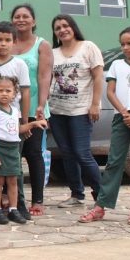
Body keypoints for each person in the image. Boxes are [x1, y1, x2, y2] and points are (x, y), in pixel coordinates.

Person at [79, 27, 130, 226]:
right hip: (121, 118)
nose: (125, 47)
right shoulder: (116, 65)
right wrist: (124, 113)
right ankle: (101, 206)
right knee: (115, 161)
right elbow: (111, 92)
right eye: (122, 44)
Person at [48, 14, 104, 208]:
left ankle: (102, 194)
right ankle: (76, 194)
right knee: (67, 153)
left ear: (73, 27)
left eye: (65, 26)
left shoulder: (88, 47)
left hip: (81, 110)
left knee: (82, 153)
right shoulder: (53, 53)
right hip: (57, 111)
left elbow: (98, 77)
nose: (62, 30)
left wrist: (95, 104)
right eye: (57, 28)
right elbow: (48, 80)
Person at [0, 22, 32, 218]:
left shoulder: (19, 64)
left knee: (14, 168)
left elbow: (25, 93)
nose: (3, 44)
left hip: (13, 122)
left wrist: (24, 121)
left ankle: (18, 204)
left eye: (8, 40)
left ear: (14, 42)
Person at [0, 75, 47, 225]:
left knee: (13, 180)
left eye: (8, 91)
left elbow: (17, 129)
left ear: (14, 94)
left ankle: (13, 209)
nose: (4, 94)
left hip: (13, 149)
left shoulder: (15, 111)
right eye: (0, 90)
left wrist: (34, 124)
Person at [11, 3, 53, 216]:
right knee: (12, 155)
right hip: (10, 109)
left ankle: (37, 199)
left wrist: (41, 104)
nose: (21, 20)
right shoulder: (7, 42)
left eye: (25, 16)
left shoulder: (42, 45)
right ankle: (14, 198)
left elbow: (45, 76)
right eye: (17, 16)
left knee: (34, 153)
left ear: (33, 21)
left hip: (35, 108)